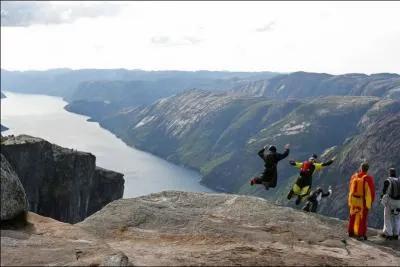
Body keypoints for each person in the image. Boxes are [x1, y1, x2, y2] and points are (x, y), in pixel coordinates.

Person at [347, 163, 375, 241]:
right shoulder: (368, 178)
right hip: (362, 201)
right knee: (362, 218)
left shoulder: (354, 176)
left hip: (353, 200)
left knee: (352, 215)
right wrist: (370, 202)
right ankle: (361, 234)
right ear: (367, 169)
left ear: (361, 168)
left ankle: (350, 231)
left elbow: (350, 187)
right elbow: (371, 192)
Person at [380, 168, 400, 240]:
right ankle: (396, 234)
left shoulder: (388, 180)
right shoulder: (398, 180)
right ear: (395, 173)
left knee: (387, 217)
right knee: (397, 218)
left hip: (390, 201)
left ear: (390, 173)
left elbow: (384, 191)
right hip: (398, 202)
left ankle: (389, 234)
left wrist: (381, 199)